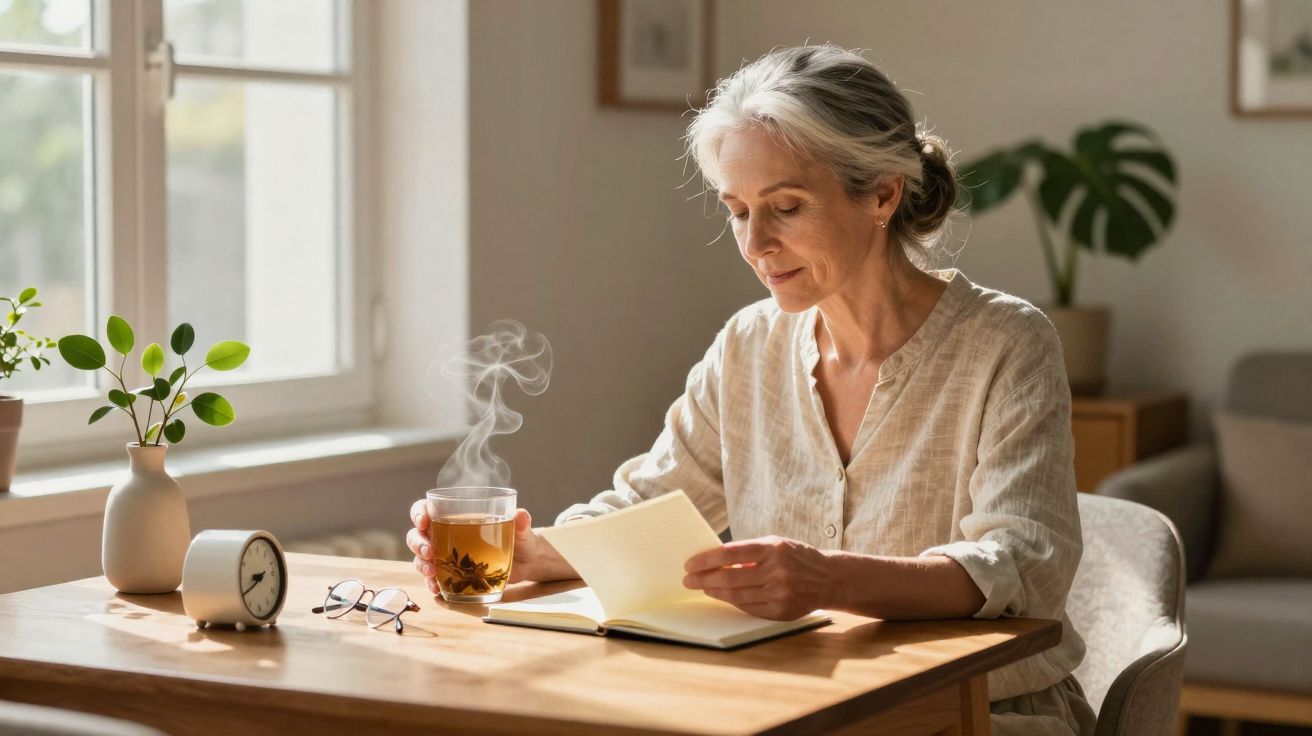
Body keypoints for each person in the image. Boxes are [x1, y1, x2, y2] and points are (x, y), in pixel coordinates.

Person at [407, 44, 1094, 735]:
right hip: (791, 710)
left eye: (786, 207)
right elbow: (653, 505)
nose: (756, 243)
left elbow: (1025, 566)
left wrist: (831, 579)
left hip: (979, 713)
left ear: (883, 194)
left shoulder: (1006, 343)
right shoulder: (747, 344)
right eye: (736, 211)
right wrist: (532, 554)